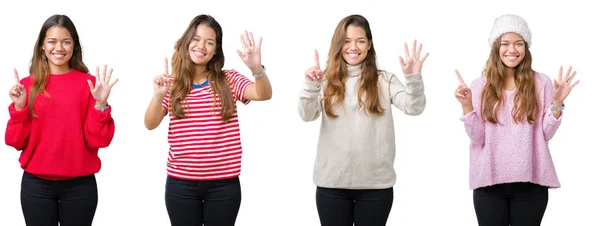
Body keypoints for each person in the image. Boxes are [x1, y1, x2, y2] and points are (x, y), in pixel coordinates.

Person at [298, 14, 428, 226]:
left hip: (376, 187)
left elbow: (414, 107)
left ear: (369, 44)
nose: (353, 47)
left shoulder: (385, 80)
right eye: (347, 41)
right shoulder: (324, 80)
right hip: (332, 185)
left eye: (360, 41)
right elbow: (306, 115)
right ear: (339, 45)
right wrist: (310, 85)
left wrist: (413, 79)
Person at [144, 14, 272, 226]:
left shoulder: (229, 79)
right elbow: (150, 123)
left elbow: (263, 94)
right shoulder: (172, 83)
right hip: (180, 185)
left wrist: (256, 69)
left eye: (209, 42)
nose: (201, 45)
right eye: (196, 38)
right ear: (186, 42)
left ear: (215, 50)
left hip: (223, 187)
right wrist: (158, 94)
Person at [454, 14, 580, 226]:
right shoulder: (479, 86)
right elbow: (477, 138)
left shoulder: (541, 83)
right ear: (496, 47)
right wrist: (466, 106)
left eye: (518, 44)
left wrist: (557, 102)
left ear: (526, 48)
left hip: (530, 185)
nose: (512, 50)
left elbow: (545, 134)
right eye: (505, 43)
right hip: (489, 186)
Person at [4, 14, 118, 226]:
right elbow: (15, 142)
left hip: (80, 187)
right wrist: (19, 107)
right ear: (42, 46)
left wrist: (100, 105)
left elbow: (99, 141)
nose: (59, 48)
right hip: (36, 186)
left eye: (66, 41)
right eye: (52, 41)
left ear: (74, 46)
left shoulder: (90, 85)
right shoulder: (26, 86)